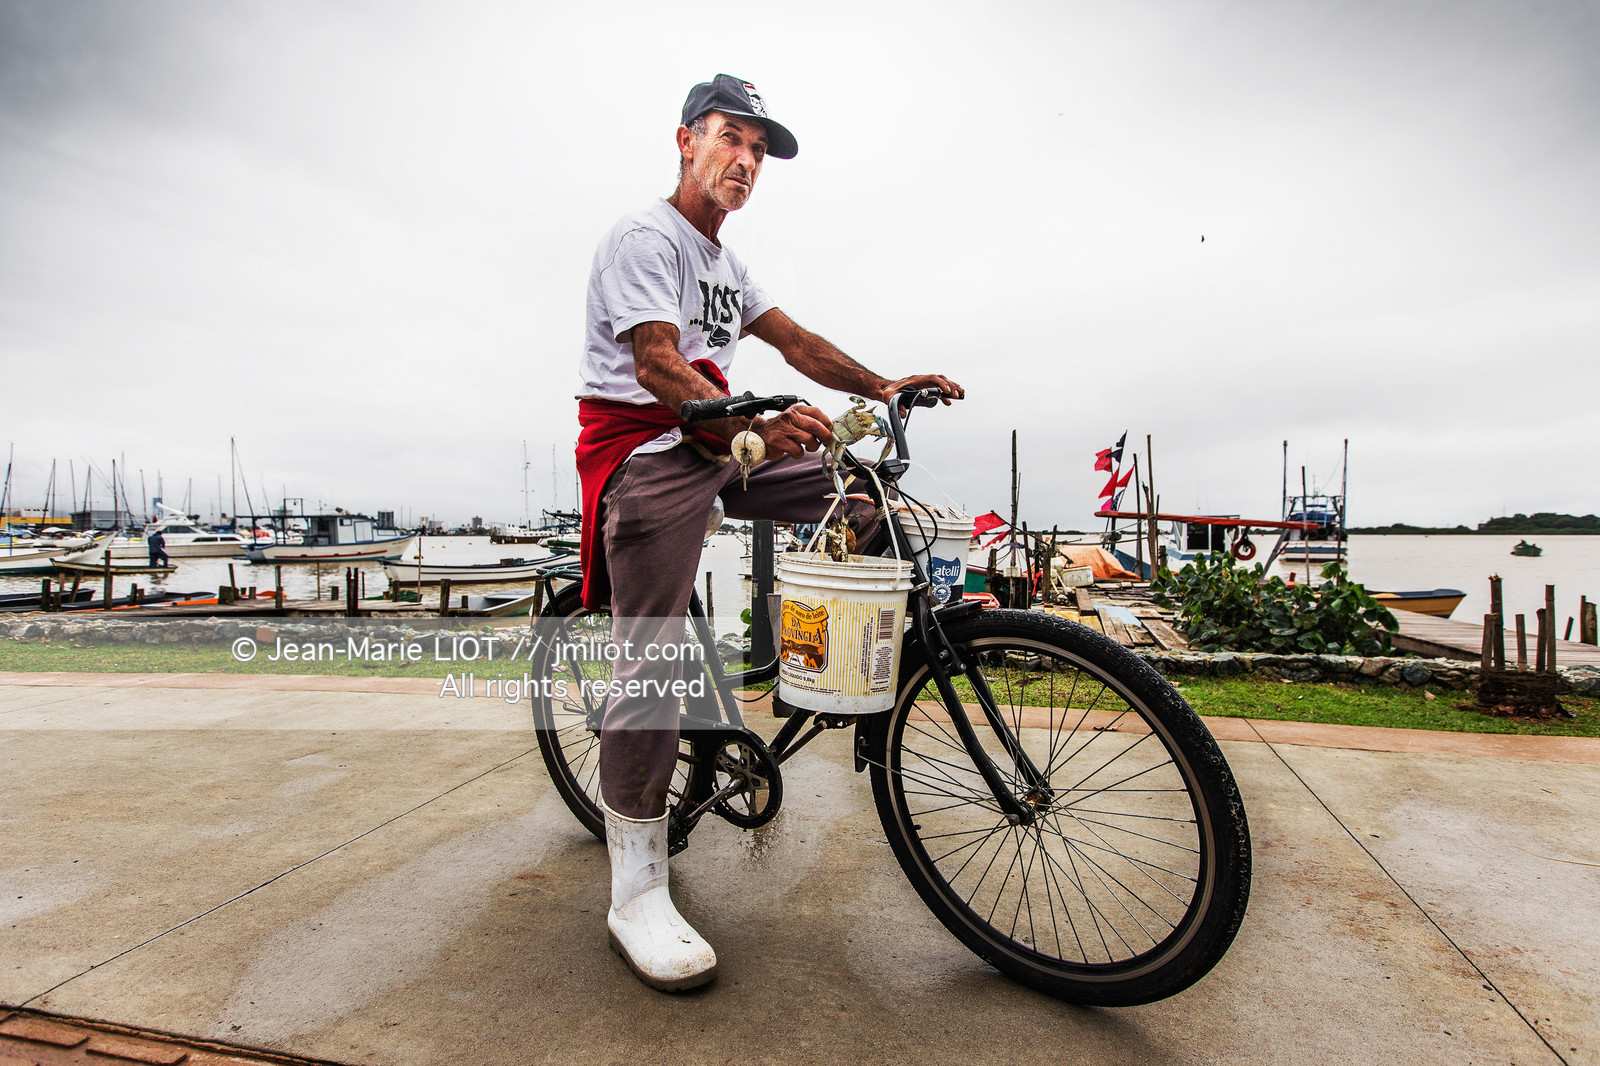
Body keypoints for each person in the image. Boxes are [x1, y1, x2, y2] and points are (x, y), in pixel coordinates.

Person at [574, 74, 962, 992]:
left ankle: (808, 662)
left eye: (758, 150)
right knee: (657, 656)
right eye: (730, 139)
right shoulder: (645, 237)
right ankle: (635, 890)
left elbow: (795, 343)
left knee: (863, 505)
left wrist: (881, 386)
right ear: (686, 141)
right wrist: (747, 425)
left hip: (725, 438)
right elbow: (659, 363)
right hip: (649, 447)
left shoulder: (728, 263)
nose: (745, 160)